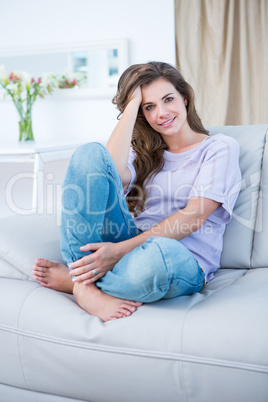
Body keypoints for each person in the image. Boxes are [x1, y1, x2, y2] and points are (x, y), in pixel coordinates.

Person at [33, 61, 241, 322]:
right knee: (90, 153)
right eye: (150, 107)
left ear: (185, 98)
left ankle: (74, 280)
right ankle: (84, 283)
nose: (162, 113)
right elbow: (105, 170)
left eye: (168, 100)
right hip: (128, 242)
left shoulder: (219, 148)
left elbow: (193, 217)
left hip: (178, 259)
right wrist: (132, 103)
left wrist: (118, 252)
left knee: (157, 259)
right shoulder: (143, 154)